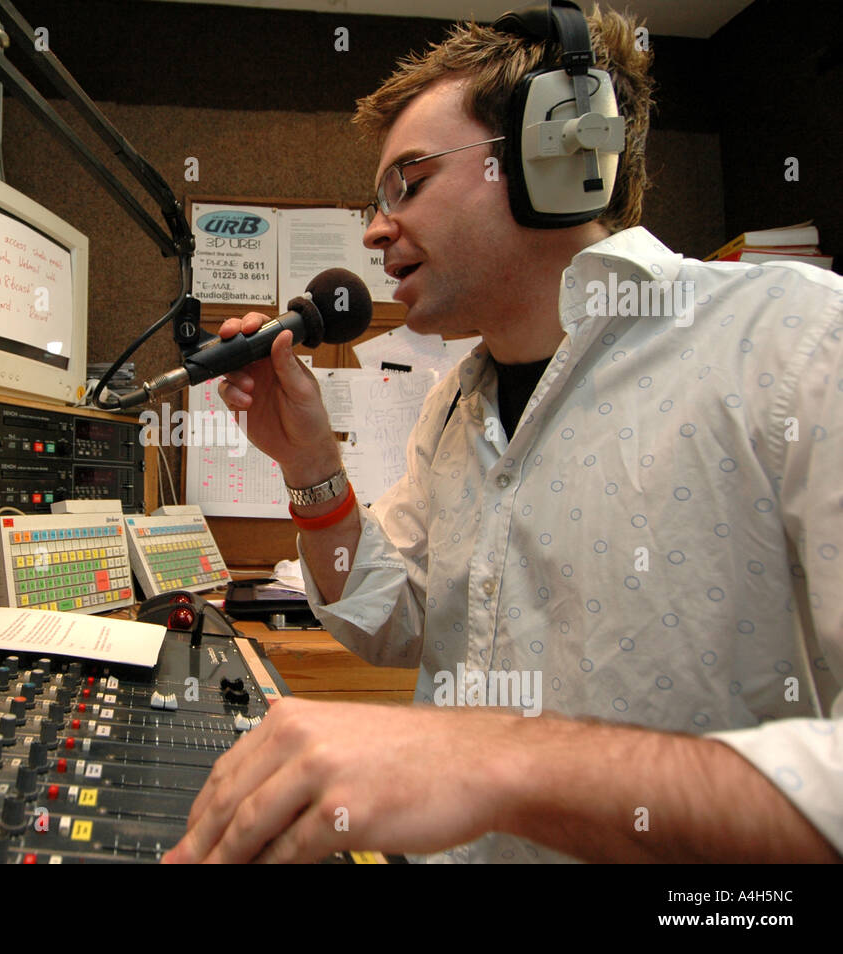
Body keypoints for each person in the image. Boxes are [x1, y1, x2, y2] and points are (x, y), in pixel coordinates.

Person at [162, 5, 843, 864]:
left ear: (550, 160)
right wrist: (309, 464)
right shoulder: (454, 404)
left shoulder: (797, 341)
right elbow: (392, 618)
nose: (374, 229)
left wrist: (505, 759)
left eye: (407, 181)